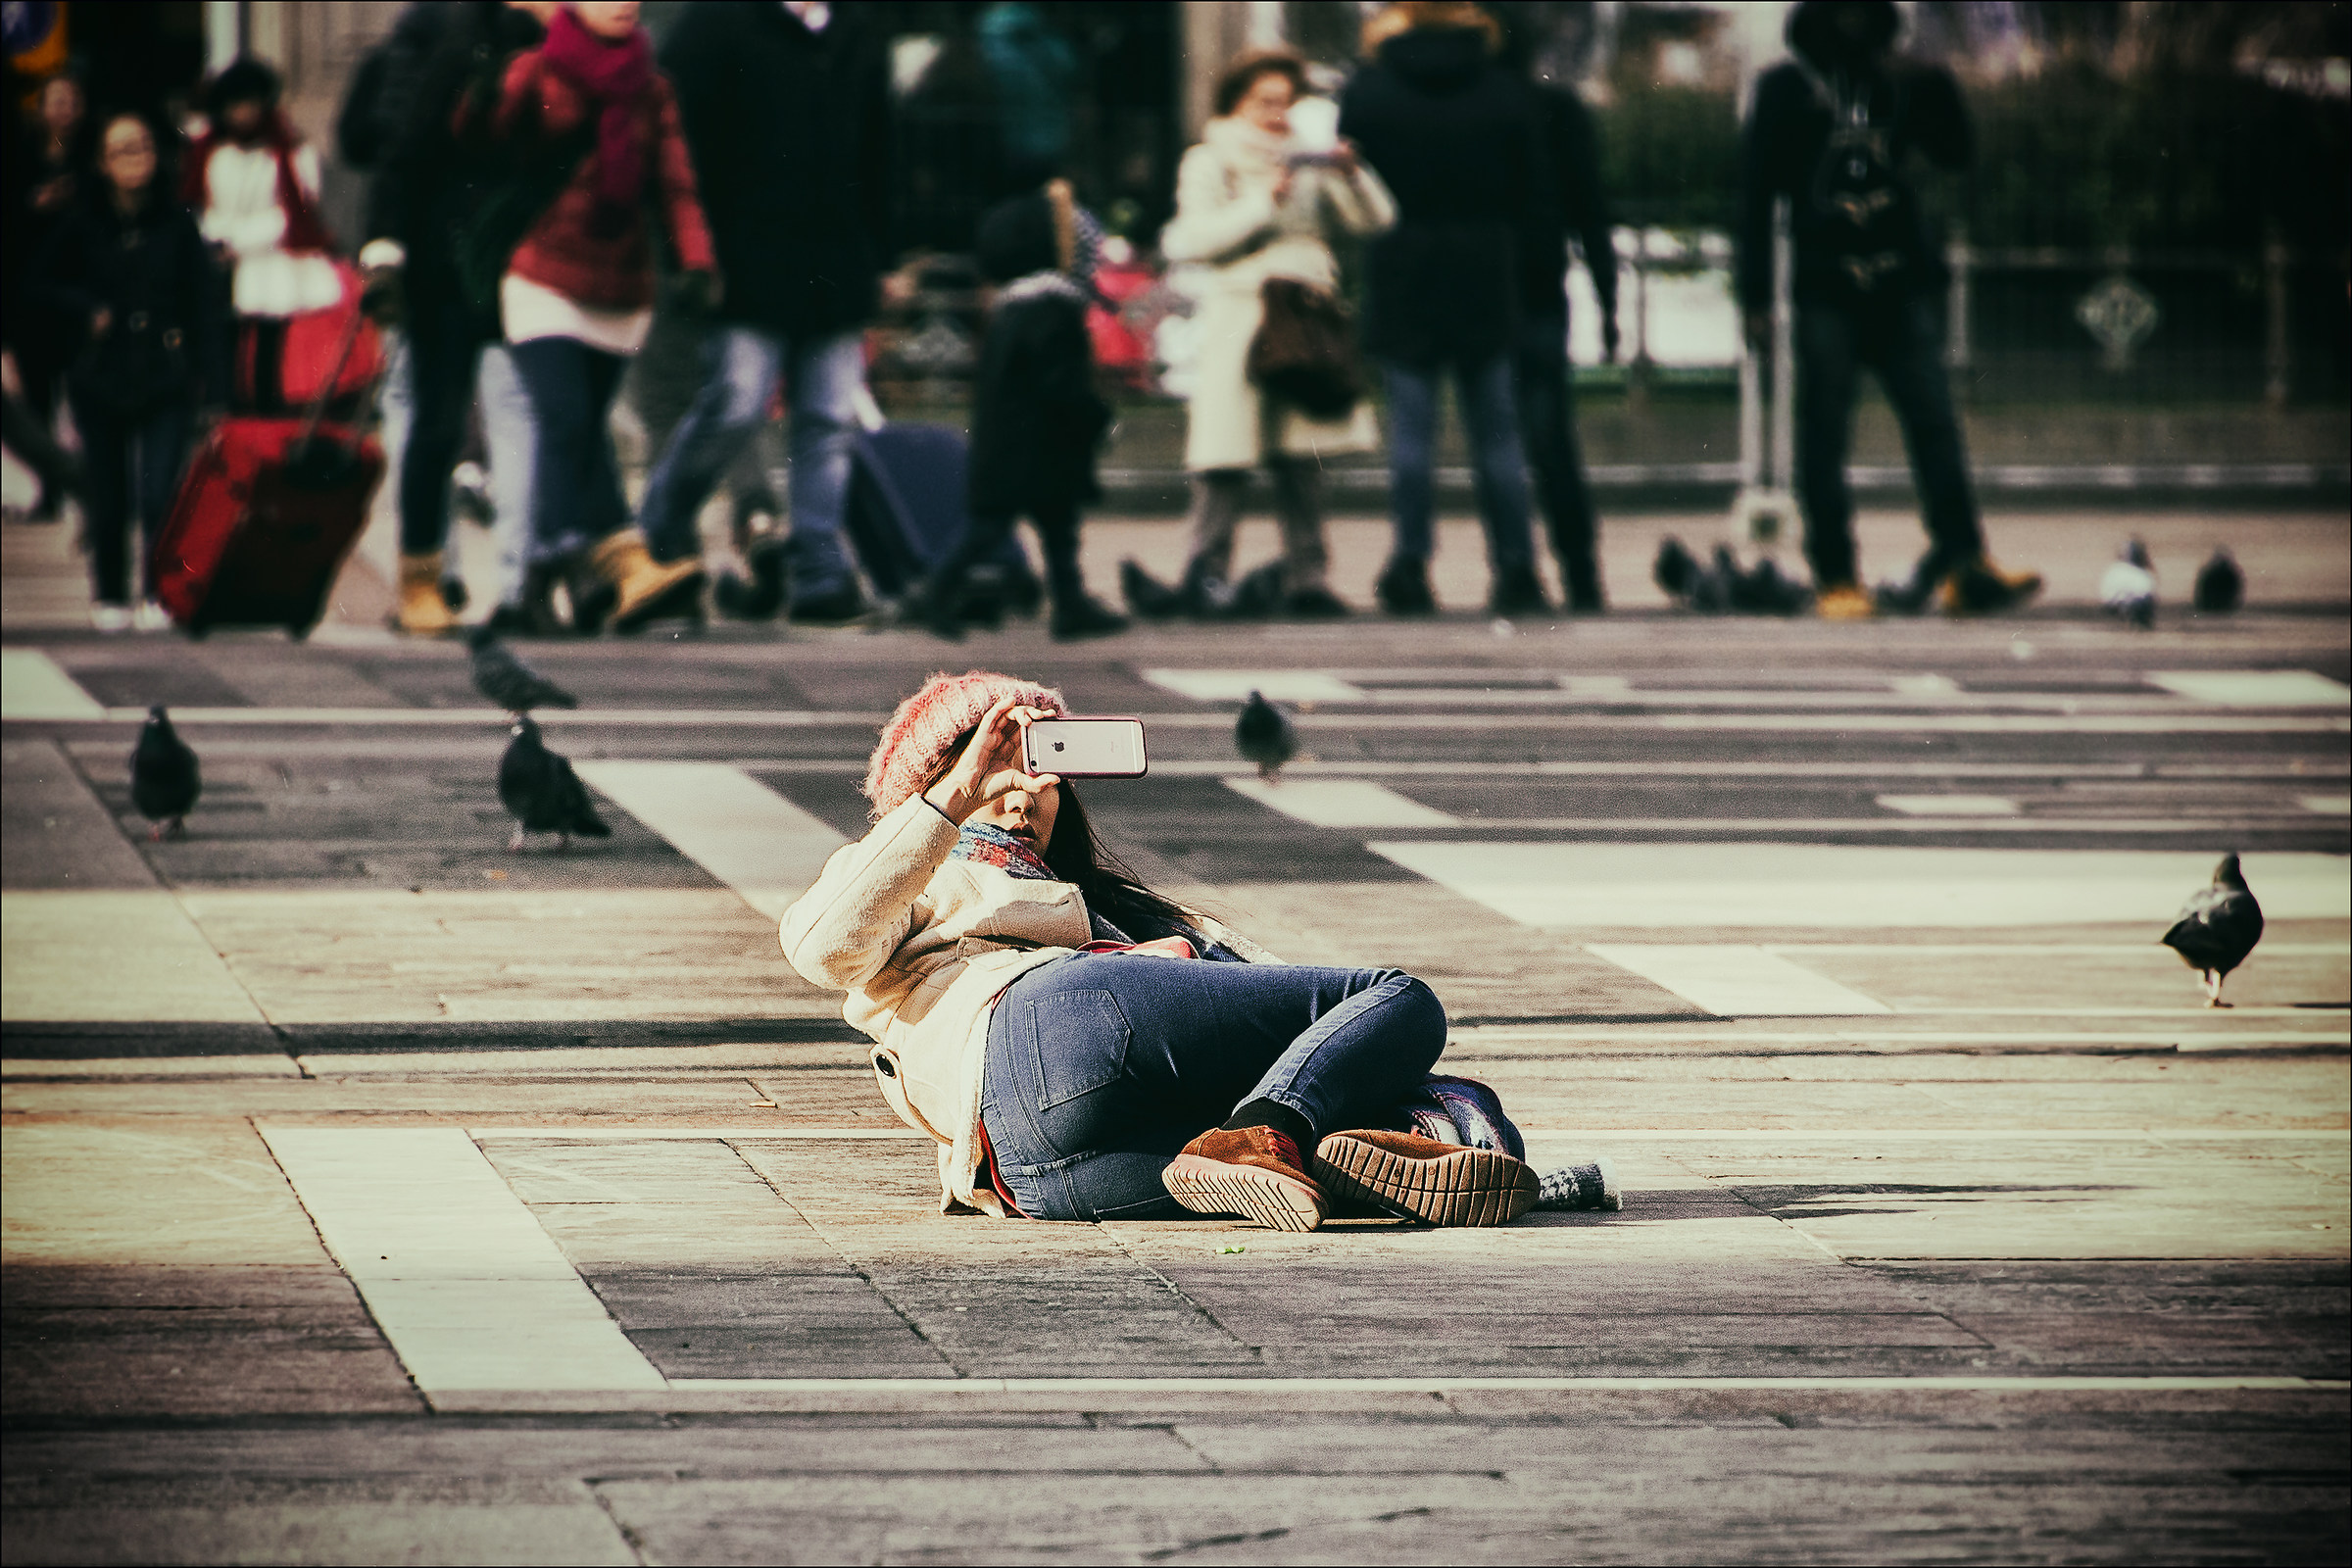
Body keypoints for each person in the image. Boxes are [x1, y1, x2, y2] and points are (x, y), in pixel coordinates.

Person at [778, 671, 1540, 1228]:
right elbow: (820, 949)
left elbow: (1298, 1033)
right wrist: (948, 802)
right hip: (1041, 1022)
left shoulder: (1106, 908)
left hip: (1028, 1170)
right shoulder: (918, 873)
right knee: (1397, 1001)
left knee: (1290, 1181)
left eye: (1039, 770)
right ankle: (1323, 1126)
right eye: (990, 769)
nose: (1016, 794)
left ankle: (1349, 1145)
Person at [1739, 0, 2040, 619]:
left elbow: (1955, 152)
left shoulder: (1899, 80)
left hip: (1898, 283)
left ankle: (1963, 561)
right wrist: (1755, 297)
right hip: (1827, 286)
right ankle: (1835, 575)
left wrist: (1934, 84)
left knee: (1934, 423)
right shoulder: (1786, 88)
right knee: (1823, 432)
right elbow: (1753, 197)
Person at [635, 0, 894, 625]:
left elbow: (881, 151)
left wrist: (880, 254)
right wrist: (694, 254)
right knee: (736, 403)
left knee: (827, 422)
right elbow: (676, 147)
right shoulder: (718, 26)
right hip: (746, 261)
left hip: (834, 262)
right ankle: (659, 534)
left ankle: (819, 573)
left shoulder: (855, 32)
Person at [469, 0, 712, 634]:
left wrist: (695, 261)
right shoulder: (538, 71)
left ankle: (578, 582)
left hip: (618, 288)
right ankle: (583, 562)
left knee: (581, 434)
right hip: (540, 273)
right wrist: (493, 88)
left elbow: (675, 185)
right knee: (566, 418)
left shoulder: (652, 90)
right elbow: (482, 140)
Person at [1151, 49, 1396, 620]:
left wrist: (1352, 171)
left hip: (1306, 309)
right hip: (1242, 312)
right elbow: (1191, 239)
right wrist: (1265, 203)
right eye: (1265, 101)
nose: (1276, 113)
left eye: (1286, 101)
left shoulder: (1306, 160)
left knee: (1303, 452)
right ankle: (1206, 571)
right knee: (1224, 454)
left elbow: (1375, 220)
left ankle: (1308, 576)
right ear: (1236, 102)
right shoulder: (1211, 160)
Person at [1342, 1, 1552, 619]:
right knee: (1497, 434)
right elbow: (1534, 194)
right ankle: (1516, 568)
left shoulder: (1371, 90)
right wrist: (1536, 280)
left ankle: (1410, 564)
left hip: (1402, 265)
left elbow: (1351, 184)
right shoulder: (1503, 90)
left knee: (1411, 432)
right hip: (1486, 268)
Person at [357, 0, 556, 636]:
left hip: (500, 256)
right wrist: (386, 251)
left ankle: (501, 581)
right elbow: (401, 150)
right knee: (454, 419)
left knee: (487, 417)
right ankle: (437, 577)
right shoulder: (441, 34)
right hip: (454, 262)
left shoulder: (523, 39)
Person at [903, 181, 1127, 643]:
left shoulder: (1013, 307)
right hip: (1039, 448)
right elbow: (1060, 383)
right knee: (1031, 530)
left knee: (1040, 527)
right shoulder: (1053, 307)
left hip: (1012, 447)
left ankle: (1067, 602)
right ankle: (940, 591)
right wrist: (1095, 417)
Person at [32, 112, 222, 630]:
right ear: (101, 163)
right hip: (101, 374)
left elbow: (203, 301)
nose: (134, 157)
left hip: (165, 372)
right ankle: (110, 593)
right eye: (120, 150)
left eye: (141, 145)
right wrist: (85, 309)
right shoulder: (81, 221)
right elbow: (41, 284)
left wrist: (214, 381)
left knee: (161, 490)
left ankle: (157, 592)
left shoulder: (178, 220)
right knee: (109, 492)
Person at [1494, 2, 1619, 613]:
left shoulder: (1475, 111)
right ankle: (1580, 568)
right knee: (1550, 437)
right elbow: (1589, 211)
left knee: (1496, 435)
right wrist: (1608, 295)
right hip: (1541, 285)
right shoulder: (1558, 110)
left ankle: (1514, 566)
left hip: (1482, 288)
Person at [184, 57, 343, 407]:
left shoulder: (290, 152)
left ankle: (265, 416)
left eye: (250, 103)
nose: (243, 113)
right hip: (219, 262)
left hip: (269, 262)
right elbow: (200, 205)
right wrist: (217, 239)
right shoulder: (209, 152)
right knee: (224, 344)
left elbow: (294, 211)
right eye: (235, 104)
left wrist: (239, 242)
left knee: (268, 345)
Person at [2, 73, 96, 522]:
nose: (65, 109)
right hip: (29, 297)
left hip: (77, 294)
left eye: (72, 100)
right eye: (56, 101)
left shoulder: (93, 159)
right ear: (39, 110)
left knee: (81, 396)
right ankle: (53, 489)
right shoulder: (20, 161)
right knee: (34, 400)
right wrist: (31, 206)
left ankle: (85, 485)